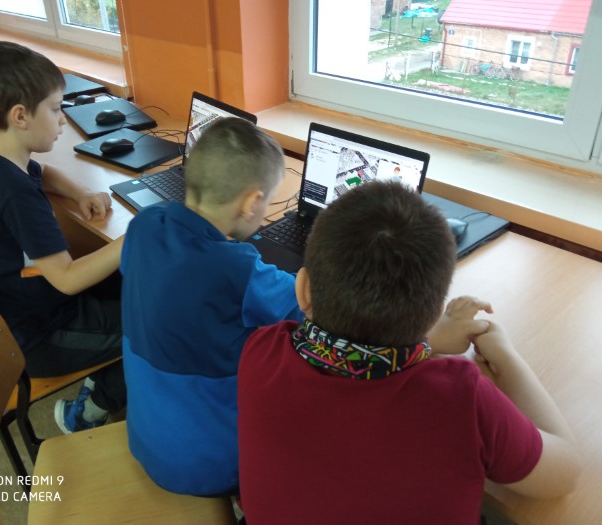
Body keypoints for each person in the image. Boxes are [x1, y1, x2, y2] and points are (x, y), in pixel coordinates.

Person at [238, 181, 581, 524]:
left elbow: (355, 365)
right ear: (433, 314)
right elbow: (564, 474)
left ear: (302, 289)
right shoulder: (462, 396)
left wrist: (431, 343)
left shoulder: (261, 350)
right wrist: (506, 357)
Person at [120, 117, 303, 496]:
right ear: (251, 203)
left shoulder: (144, 225)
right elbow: (307, 301)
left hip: (145, 440)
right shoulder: (237, 268)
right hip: (213, 467)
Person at [0, 41, 126, 434]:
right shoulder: (14, 194)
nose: (63, 120)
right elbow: (66, 279)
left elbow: (43, 173)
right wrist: (130, 239)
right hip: (42, 335)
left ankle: (106, 371)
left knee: (133, 281)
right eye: (55, 109)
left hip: (13, 309)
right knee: (159, 318)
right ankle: (89, 410)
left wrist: (80, 193)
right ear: (20, 116)